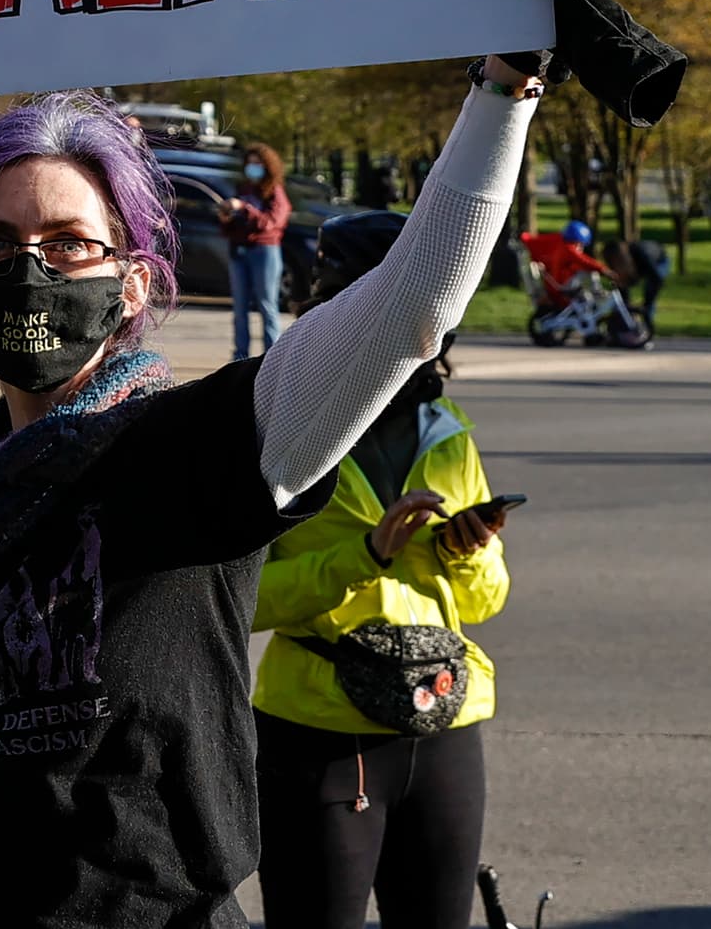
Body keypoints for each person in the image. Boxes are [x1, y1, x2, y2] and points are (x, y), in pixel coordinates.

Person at [0, 0, 608, 927]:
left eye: (69, 243)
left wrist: (507, 74)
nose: (28, 270)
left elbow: (414, 300)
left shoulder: (198, 452)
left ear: (132, 281)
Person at [252, 211, 514, 929]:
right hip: (321, 732)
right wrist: (363, 557)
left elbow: (486, 599)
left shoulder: (449, 429)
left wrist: (469, 550)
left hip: (444, 721)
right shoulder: (284, 425)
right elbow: (238, 601)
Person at [221, 141, 291, 360]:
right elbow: (233, 226)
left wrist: (245, 209)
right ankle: (239, 358)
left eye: (258, 163)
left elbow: (270, 222)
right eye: (249, 163)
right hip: (239, 252)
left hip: (264, 252)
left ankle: (273, 357)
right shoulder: (243, 190)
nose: (253, 168)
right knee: (240, 310)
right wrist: (227, 218)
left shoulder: (275, 193)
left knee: (267, 306)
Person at [519, 218, 614, 298]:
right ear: (577, 240)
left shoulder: (561, 244)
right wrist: (603, 269)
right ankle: (597, 293)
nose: (581, 248)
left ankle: (595, 294)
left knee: (583, 275)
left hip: (557, 282)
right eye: (581, 244)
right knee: (591, 273)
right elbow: (584, 261)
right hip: (561, 285)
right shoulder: (569, 250)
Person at [602, 236, 671, 334]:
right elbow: (616, 284)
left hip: (658, 262)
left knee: (649, 294)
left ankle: (646, 328)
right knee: (621, 296)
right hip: (639, 265)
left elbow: (656, 278)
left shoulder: (642, 253)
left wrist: (646, 305)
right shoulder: (614, 259)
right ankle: (620, 327)